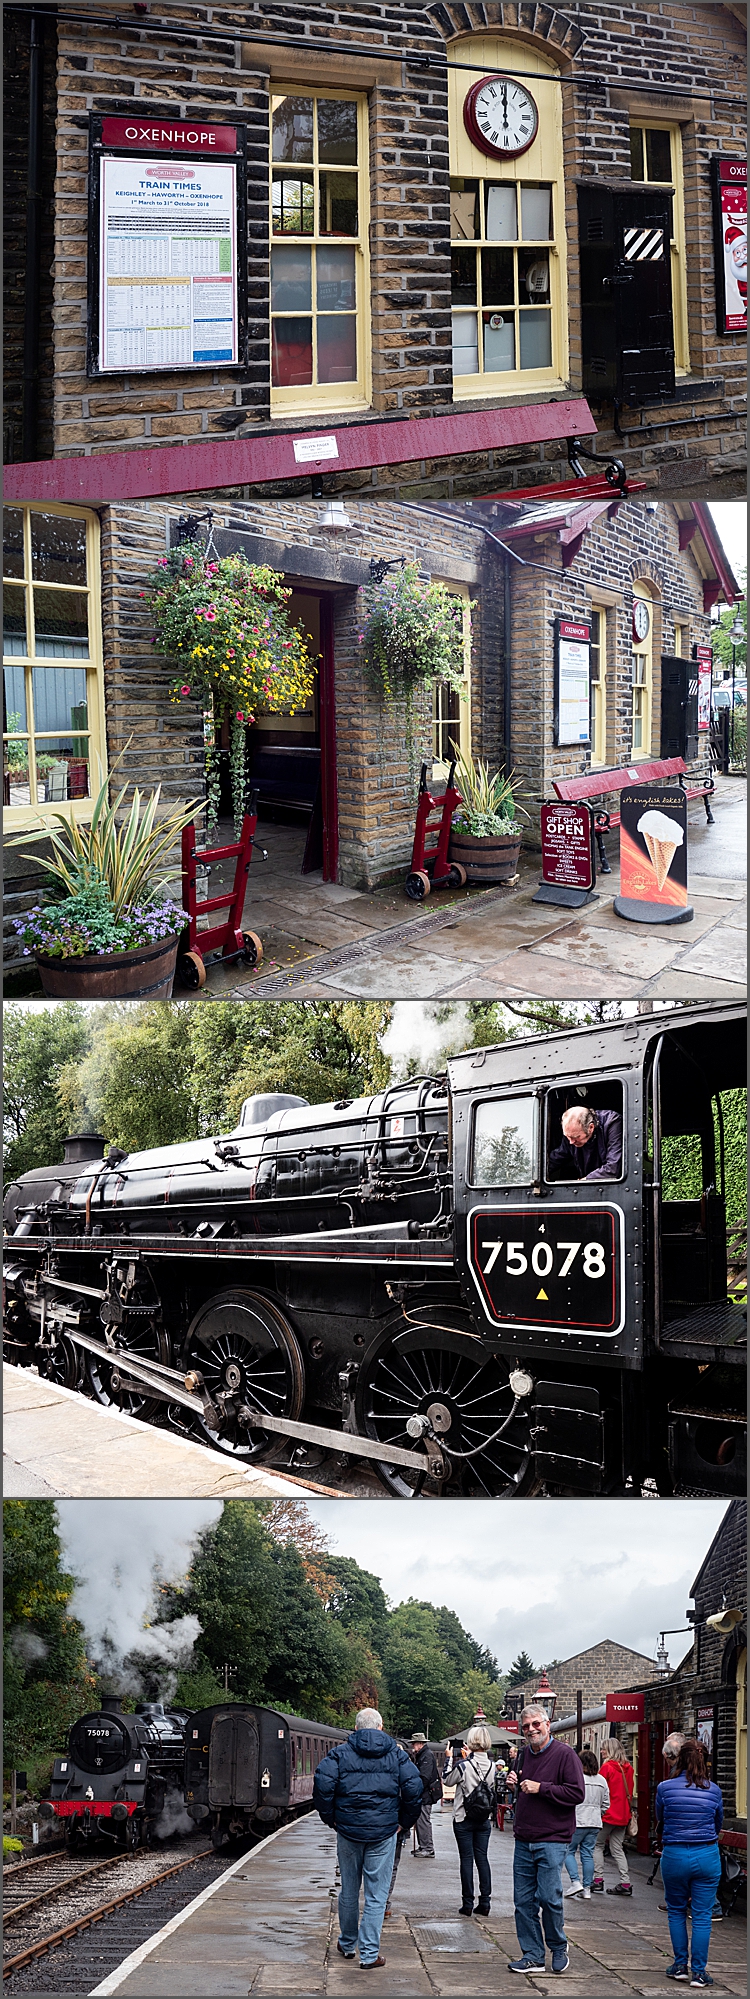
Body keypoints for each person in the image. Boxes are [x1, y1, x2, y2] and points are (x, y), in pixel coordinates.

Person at [313, 1705, 423, 1971]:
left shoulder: (339, 1754)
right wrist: (403, 1823)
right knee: (376, 1894)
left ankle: (348, 1944)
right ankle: (369, 1954)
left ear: (356, 1728)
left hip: (348, 1831)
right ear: (381, 1727)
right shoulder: (397, 1755)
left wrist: (332, 1819)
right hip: (384, 1833)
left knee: (349, 1889)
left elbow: (322, 1785)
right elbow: (414, 1789)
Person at [506, 1703, 586, 1975]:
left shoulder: (565, 1755)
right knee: (523, 1901)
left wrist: (542, 1788)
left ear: (547, 1724)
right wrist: (513, 1781)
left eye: (535, 1724)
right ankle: (532, 1955)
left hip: (552, 1838)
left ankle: (558, 1947)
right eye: (526, 1726)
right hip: (524, 1837)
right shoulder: (523, 1756)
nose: (530, 1730)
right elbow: (522, 1788)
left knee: (550, 1898)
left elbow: (576, 1794)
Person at [656, 1737, 723, 1989]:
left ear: (680, 1759)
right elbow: (718, 1824)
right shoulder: (714, 1790)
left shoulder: (664, 1788)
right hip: (706, 1854)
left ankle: (680, 1966)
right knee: (703, 1916)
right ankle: (699, 1973)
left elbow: (661, 1818)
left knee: (676, 1911)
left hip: (674, 1855)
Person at [443, 1724, 498, 1918]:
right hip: (484, 1818)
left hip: (463, 1817)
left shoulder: (464, 1765)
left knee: (466, 1859)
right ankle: (485, 1902)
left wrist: (449, 1759)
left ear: (471, 1742)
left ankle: (467, 1904)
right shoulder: (492, 1765)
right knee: (482, 1858)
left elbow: (447, 1780)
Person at [563, 1750, 610, 1900]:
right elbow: (606, 1804)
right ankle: (587, 1888)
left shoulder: (576, 1778)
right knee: (587, 1854)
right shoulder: (602, 1780)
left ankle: (575, 1881)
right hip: (595, 1822)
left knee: (568, 1851)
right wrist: (598, 1813)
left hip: (577, 1819)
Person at [592, 1738, 635, 1896]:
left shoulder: (607, 1767)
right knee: (617, 1849)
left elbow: (599, 1790)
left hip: (608, 1814)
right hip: (623, 1814)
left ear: (610, 1750)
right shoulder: (628, 1768)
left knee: (597, 1845)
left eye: (604, 1749)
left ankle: (598, 1880)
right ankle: (625, 1882)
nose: (602, 1752)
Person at [548, 1105, 623, 1181]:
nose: (571, 1142)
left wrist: (584, 1181)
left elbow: (613, 1167)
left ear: (591, 1127)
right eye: (568, 1137)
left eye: (576, 1137)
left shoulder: (611, 1122)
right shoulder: (571, 1135)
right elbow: (557, 1157)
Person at [411, 1731, 441, 1856]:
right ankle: (424, 1845)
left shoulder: (426, 1756)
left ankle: (427, 1847)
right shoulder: (423, 1755)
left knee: (423, 1820)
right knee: (421, 1820)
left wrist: (416, 1791)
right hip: (425, 1793)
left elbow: (425, 1777)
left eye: (414, 1744)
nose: (413, 1746)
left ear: (420, 1744)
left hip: (425, 1794)